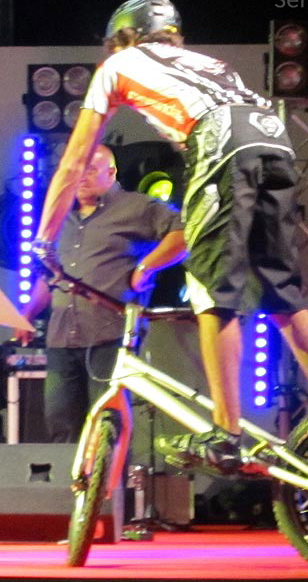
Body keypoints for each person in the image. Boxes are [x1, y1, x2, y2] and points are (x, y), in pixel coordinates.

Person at [33, 0, 308, 472]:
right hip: (272, 136)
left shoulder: (118, 65)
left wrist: (43, 239)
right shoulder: (207, 61)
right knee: (284, 297)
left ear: (125, 37)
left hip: (221, 140)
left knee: (209, 286)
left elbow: (75, 160)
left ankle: (226, 433)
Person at [16, 144, 186, 442]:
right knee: (61, 426)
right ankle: (66, 489)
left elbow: (184, 233)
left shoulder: (137, 208)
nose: (81, 176)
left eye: (91, 169)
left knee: (107, 430)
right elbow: (48, 276)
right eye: (77, 169)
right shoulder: (62, 218)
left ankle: (108, 489)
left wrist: (146, 268)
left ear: (112, 172)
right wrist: (27, 314)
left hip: (110, 337)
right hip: (61, 338)